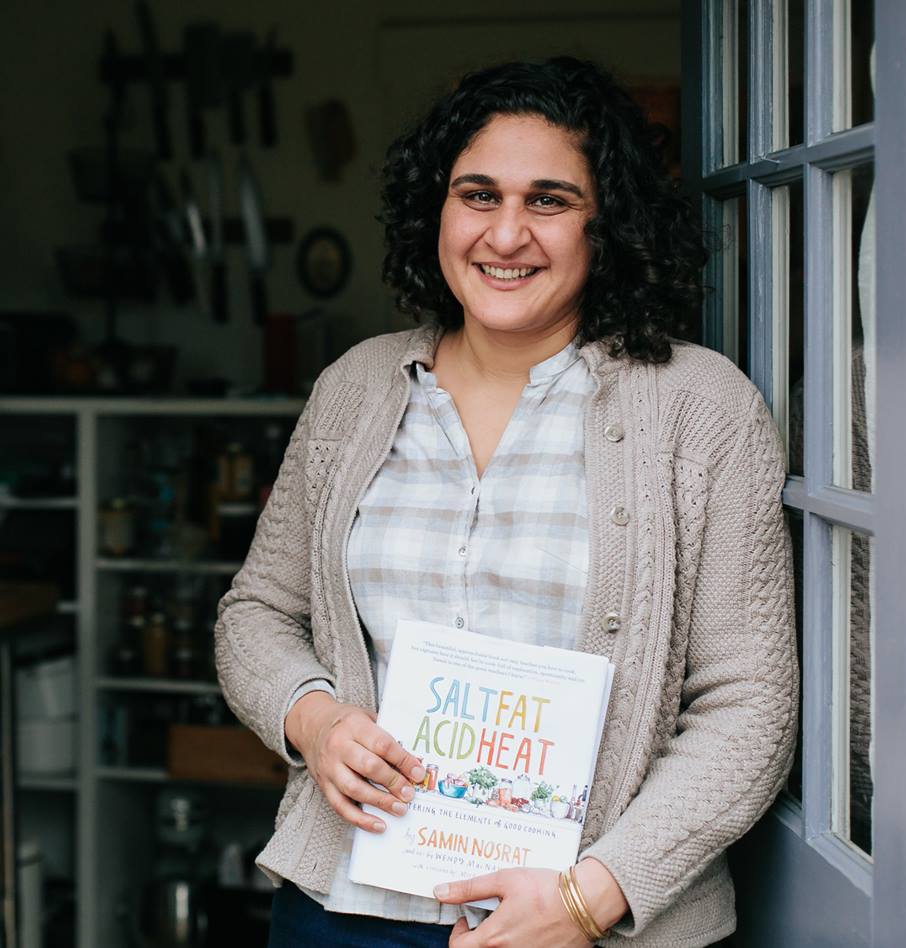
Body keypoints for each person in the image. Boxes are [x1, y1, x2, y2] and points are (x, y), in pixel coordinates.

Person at [215, 57, 798, 948]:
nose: (507, 233)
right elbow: (258, 611)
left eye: (551, 201)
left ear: (607, 226)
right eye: (478, 195)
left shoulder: (701, 408)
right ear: (436, 211)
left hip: (599, 922)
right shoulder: (356, 387)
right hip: (351, 911)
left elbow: (749, 705)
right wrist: (314, 717)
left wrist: (591, 898)